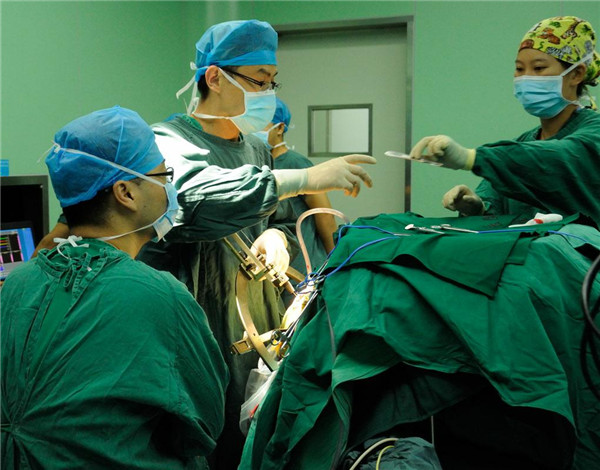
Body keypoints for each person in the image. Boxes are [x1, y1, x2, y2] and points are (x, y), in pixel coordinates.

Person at [138, 19, 376, 469]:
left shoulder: (255, 148)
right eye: (258, 80)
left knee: (254, 426)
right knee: (205, 429)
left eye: (272, 82)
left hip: (255, 315)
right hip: (197, 317)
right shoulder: (166, 142)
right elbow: (196, 201)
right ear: (214, 77)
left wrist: (274, 235)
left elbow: (275, 218)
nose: (267, 92)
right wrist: (301, 178)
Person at [1, 106, 228, 469]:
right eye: (163, 176)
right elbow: (203, 424)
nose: (169, 188)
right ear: (126, 193)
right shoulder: (160, 297)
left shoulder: (17, 283)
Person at [410, 16, 600, 226]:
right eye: (519, 69)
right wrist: (477, 208)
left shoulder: (594, 133)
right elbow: (496, 202)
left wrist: (469, 157)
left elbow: (554, 158)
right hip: (524, 247)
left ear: (576, 74)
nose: (525, 78)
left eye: (538, 68)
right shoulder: (522, 144)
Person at [253, 97, 338, 281]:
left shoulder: (296, 163)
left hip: (302, 263)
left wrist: (336, 261)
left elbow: (324, 215)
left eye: (261, 123)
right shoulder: (256, 163)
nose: (253, 129)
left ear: (280, 128)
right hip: (271, 261)